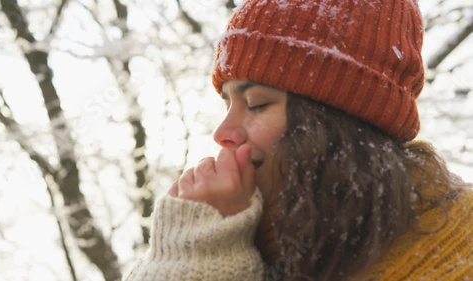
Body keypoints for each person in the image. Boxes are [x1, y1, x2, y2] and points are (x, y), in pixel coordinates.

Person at [125, 0, 473, 280]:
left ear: (339, 121)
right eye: (227, 103)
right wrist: (190, 253)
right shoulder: (246, 235)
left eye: (257, 104)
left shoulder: (458, 251)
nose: (222, 133)